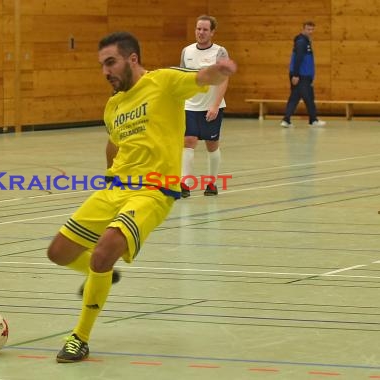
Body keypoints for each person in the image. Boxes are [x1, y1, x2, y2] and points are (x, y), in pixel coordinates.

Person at [46, 31, 237, 363]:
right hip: (115, 189)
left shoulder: (163, 82)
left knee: (103, 252)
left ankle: (80, 336)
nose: (105, 71)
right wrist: (108, 181)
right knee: (58, 252)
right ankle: (100, 276)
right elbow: (113, 143)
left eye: (111, 62)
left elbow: (200, 77)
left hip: (153, 190)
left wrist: (219, 71)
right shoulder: (114, 105)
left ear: (131, 59)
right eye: (102, 65)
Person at [180, 15, 229, 198]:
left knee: (211, 144)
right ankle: (184, 183)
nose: (201, 32)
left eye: (205, 30)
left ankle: (212, 183)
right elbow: (182, 79)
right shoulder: (187, 51)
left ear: (212, 32)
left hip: (211, 106)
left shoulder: (220, 52)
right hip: (190, 105)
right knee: (189, 141)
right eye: (198, 29)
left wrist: (215, 106)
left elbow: (224, 79)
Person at [281, 21, 326, 128]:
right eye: (308, 29)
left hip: (304, 75)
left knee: (300, 97)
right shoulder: (301, 42)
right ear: (303, 29)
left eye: (312, 29)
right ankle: (311, 120)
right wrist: (296, 75)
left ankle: (288, 120)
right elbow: (298, 58)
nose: (310, 31)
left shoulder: (306, 41)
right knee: (304, 97)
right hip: (301, 75)